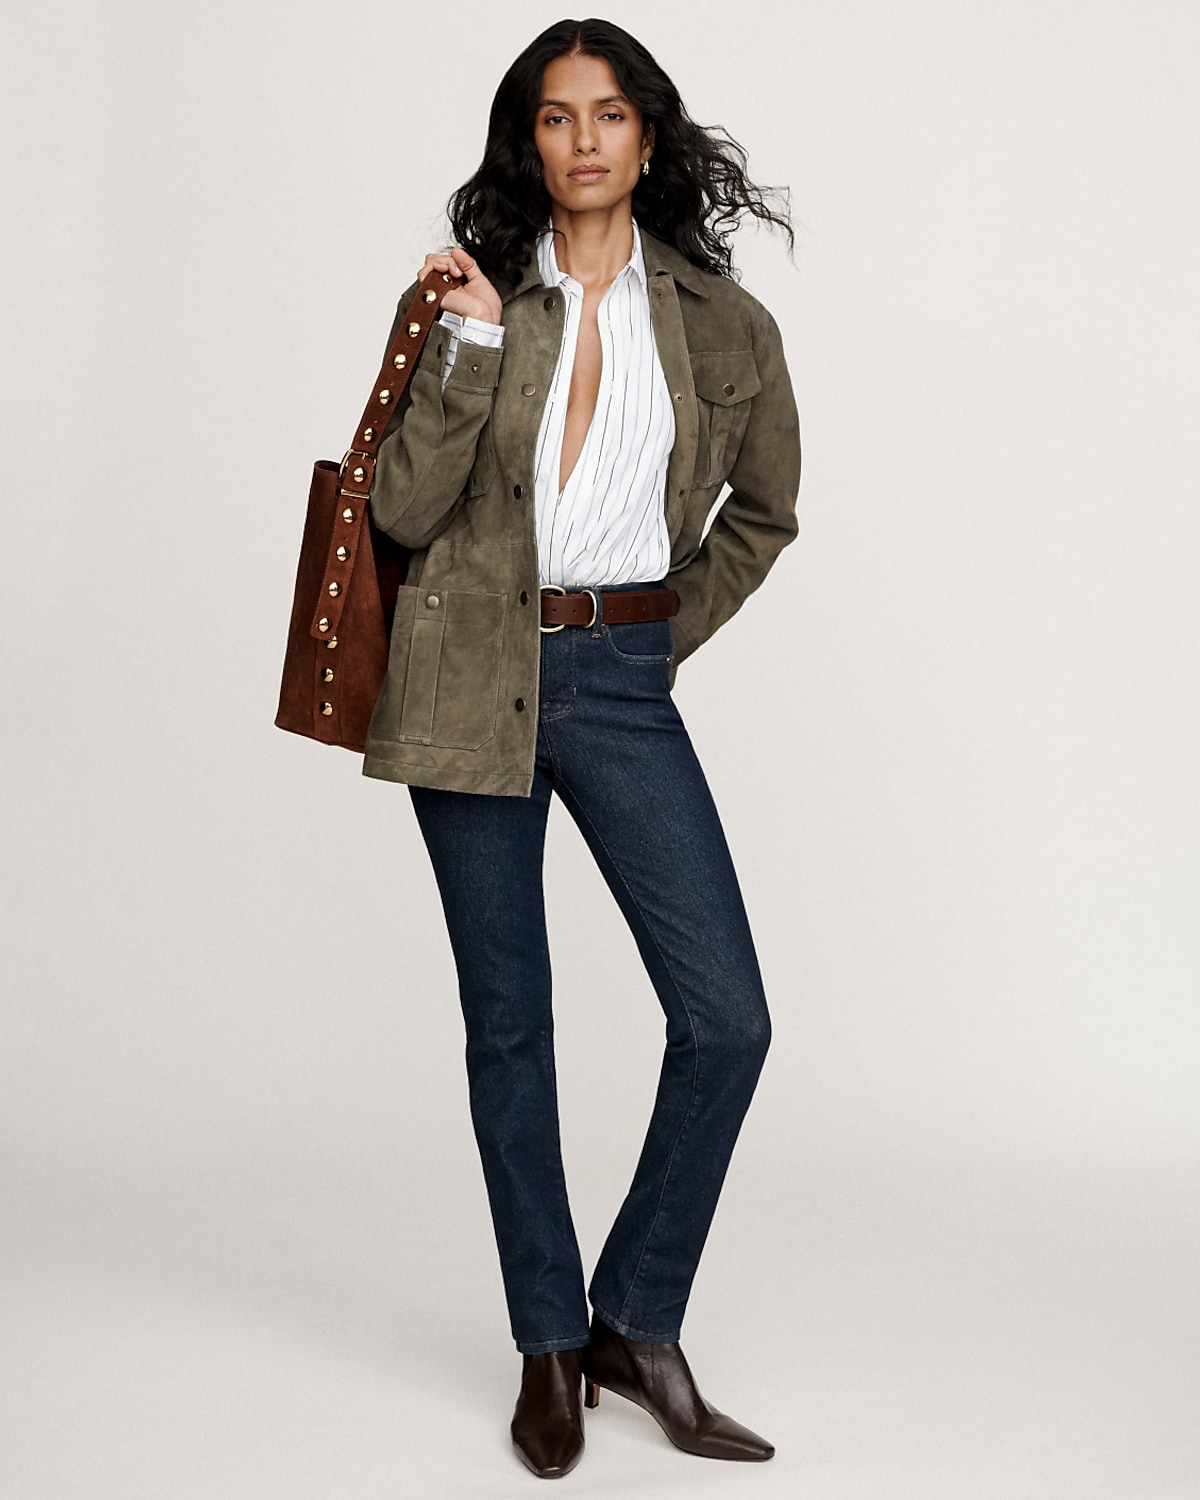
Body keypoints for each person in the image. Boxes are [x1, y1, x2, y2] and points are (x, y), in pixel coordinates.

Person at [363, 16, 802, 1480]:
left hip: (620, 676)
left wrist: (655, 639)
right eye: (557, 118)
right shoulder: (475, 298)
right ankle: (550, 1346)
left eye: (610, 114)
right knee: (512, 1027)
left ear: (649, 137)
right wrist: (471, 341)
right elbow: (405, 515)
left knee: (725, 1018)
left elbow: (762, 514)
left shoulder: (726, 324)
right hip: (466, 676)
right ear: (530, 142)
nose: (587, 140)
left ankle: (639, 1319)